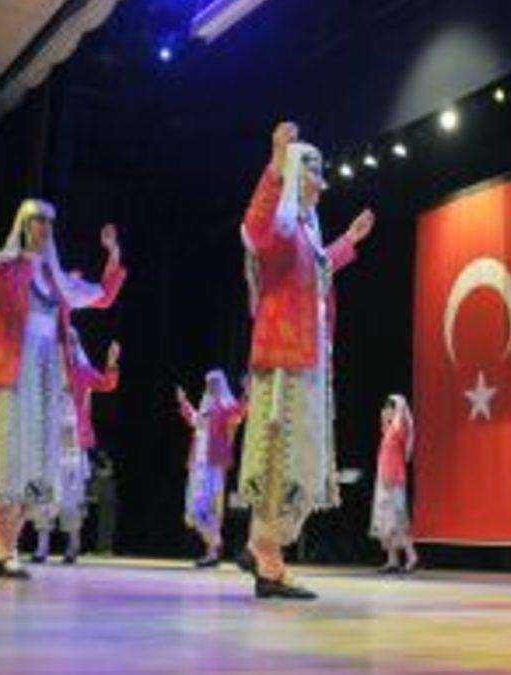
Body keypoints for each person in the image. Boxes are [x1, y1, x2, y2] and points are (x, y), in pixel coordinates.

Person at [0, 186, 126, 579]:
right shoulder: (4, 267)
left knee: (33, 464)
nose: (44, 227)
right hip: (10, 373)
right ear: (23, 225)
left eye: (48, 221)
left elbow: (102, 297)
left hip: (46, 378)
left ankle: (7, 549)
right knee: (7, 461)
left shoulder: (55, 278)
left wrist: (113, 254)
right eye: (36, 220)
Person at [235, 121, 375, 600]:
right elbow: (255, 228)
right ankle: (266, 557)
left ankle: (263, 549)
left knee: (299, 457)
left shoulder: (305, 228)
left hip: (308, 356)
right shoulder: (278, 225)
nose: (320, 188)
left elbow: (313, 272)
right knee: (282, 455)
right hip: (284, 360)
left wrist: (348, 240)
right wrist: (276, 164)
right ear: (297, 178)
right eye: (313, 179)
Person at [31, 334, 120, 564]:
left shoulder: (83, 371)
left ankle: (73, 544)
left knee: (71, 493)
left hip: (72, 440)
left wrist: (111, 362)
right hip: (50, 438)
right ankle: (42, 545)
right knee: (45, 490)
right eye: (63, 342)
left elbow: (108, 384)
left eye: (71, 342)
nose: (67, 347)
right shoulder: (47, 372)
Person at [177, 371, 249, 568]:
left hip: (212, 466)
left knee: (205, 509)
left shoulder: (225, 408)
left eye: (215, 383)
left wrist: (246, 393)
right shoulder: (206, 407)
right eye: (209, 383)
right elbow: (194, 420)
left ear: (221, 385)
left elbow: (239, 413)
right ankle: (213, 546)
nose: (211, 386)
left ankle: (213, 549)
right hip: (197, 464)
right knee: (193, 513)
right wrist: (184, 402)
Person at [369, 394, 418, 574]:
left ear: (396, 410)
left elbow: (405, 441)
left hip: (394, 480)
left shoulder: (400, 428)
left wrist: (399, 412)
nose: (386, 411)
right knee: (385, 520)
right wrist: (384, 419)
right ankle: (392, 560)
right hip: (383, 479)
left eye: (390, 408)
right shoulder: (389, 430)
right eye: (386, 408)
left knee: (397, 519)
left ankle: (411, 556)